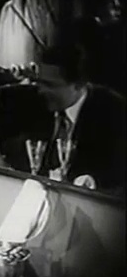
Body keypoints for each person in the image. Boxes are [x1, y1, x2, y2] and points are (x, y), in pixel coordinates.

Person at [33, 42, 126, 193]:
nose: (40, 90)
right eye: (39, 82)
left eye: (50, 85)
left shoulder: (114, 113)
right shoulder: (34, 104)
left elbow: (117, 174)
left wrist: (93, 181)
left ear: (79, 85)